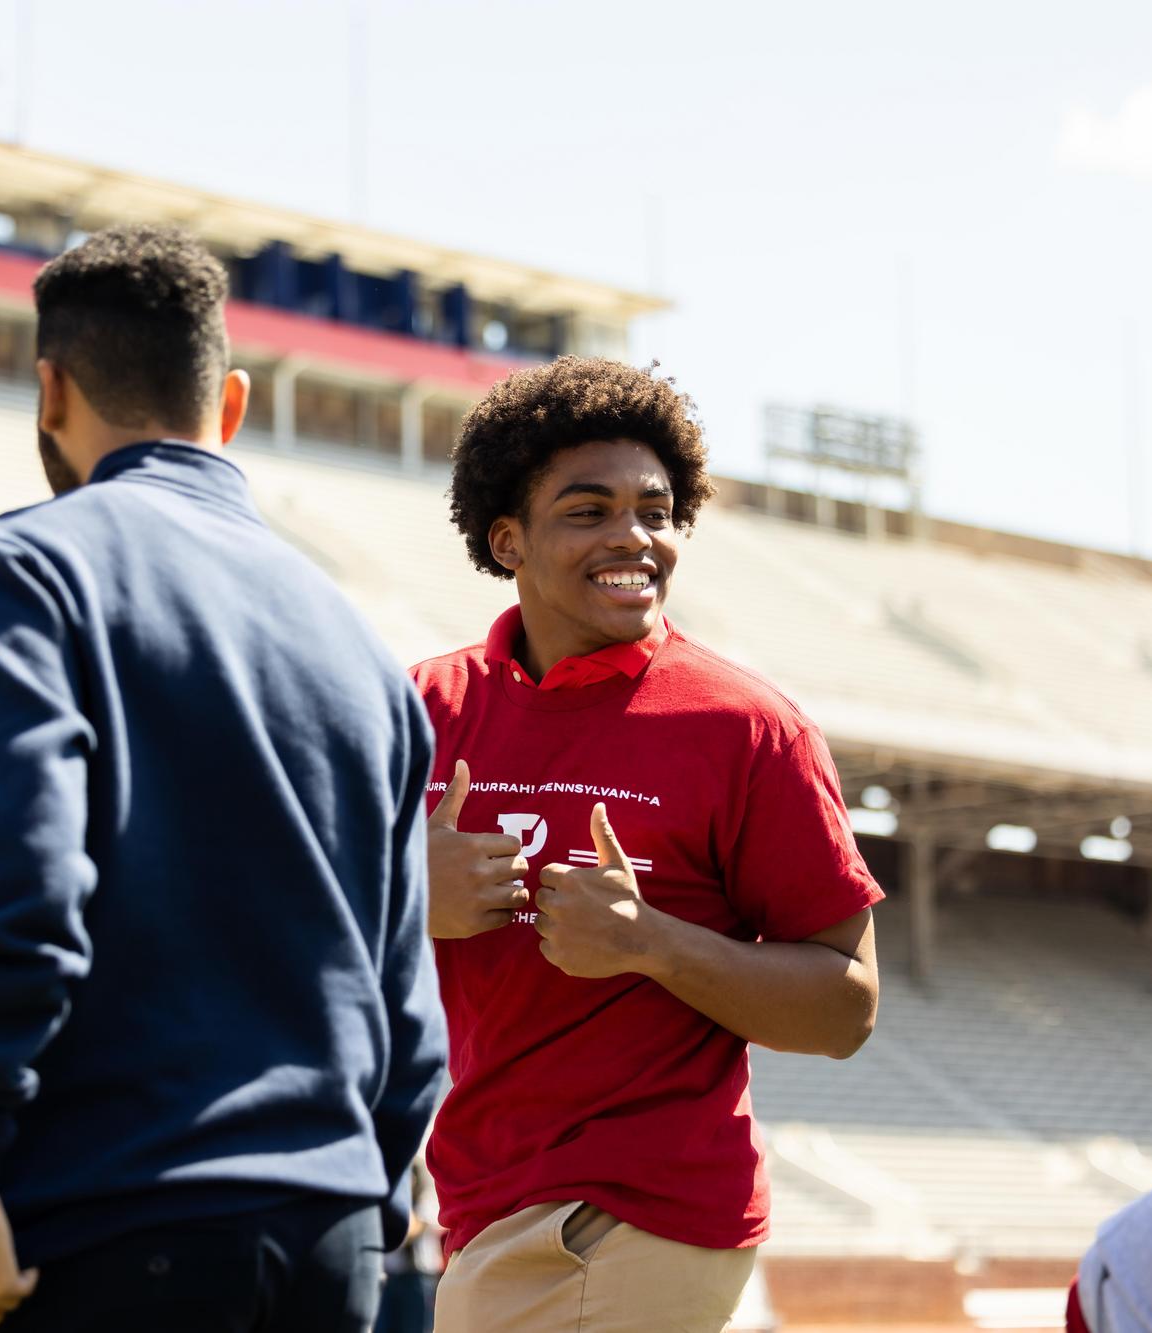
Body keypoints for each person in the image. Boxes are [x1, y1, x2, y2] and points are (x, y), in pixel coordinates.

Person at [0, 223, 445, 1332]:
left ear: (49, 390)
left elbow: (20, 877)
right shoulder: (360, 644)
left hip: (116, 1216)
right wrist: (368, 1204)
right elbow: (407, 996)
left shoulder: (21, 570)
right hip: (333, 1232)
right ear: (232, 404)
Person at [413, 357, 884, 1331]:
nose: (633, 537)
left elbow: (845, 1006)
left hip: (629, 1216)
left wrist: (647, 943)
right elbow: (275, 927)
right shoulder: (418, 709)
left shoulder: (747, 729)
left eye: (654, 510)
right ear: (506, 539)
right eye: (587, 510)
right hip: (480, 1204)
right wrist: (406, 894)